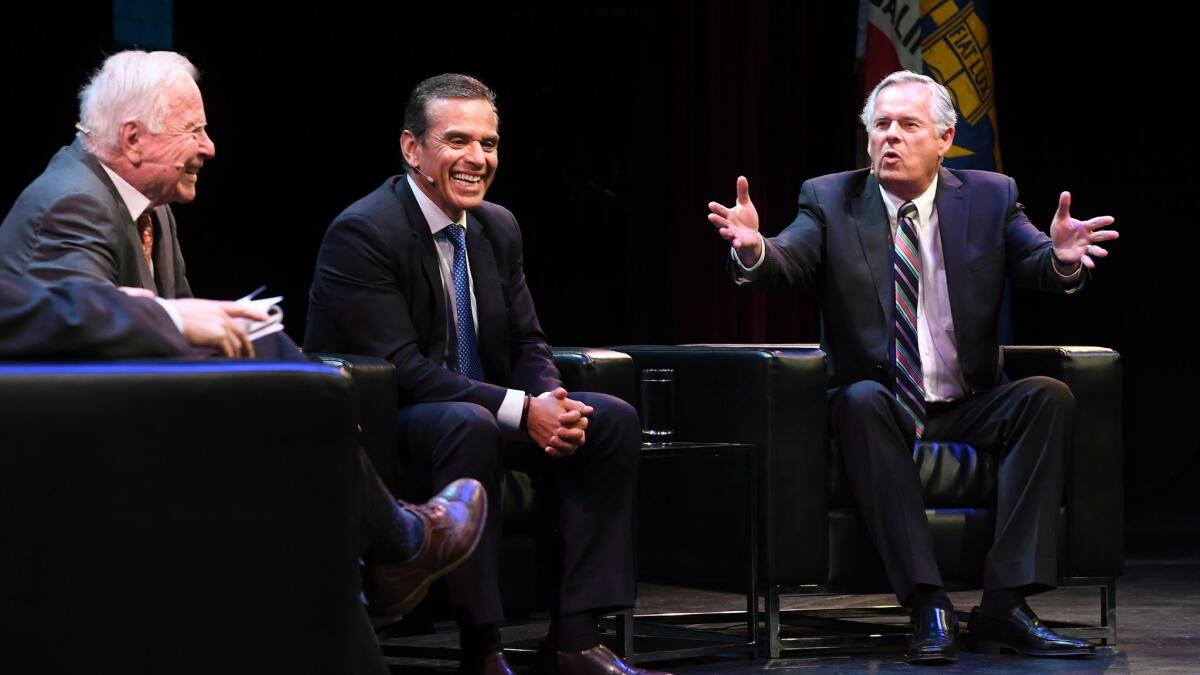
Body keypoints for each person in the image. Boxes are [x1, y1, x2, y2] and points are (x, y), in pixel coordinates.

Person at [0, 51, 488, 674]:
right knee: (276, 381)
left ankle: (384, 545)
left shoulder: (151, 208)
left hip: (147, 432)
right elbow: (84, 347)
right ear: (133, 138)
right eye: (194, 131)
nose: (210, 146)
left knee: (282, 385)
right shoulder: (70, 204)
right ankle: (397, 541)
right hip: (87, 462)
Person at [707, 70, 1118, 664]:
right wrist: (756, 250)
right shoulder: (829, 199)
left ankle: (1005, 604)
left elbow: (1037, 261)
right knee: (859, 399)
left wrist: (1061, 259)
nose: (890, 138)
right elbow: (789, 257)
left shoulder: (990, 196)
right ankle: (928, 602)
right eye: (880, 126)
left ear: (945, 137)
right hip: (879, 406)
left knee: (1046, 396)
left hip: (968, 401)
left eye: (908, 125)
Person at [305, 73, 655, 675]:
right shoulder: (364, 231)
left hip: (480, 410)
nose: (477, 159)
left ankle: (575, 636)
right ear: (412, 149)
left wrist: (553, 400)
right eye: (458, 141)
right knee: (469, 424)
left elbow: (526, 339)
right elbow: (403, 369)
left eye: (488, 144)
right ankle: (483, 647)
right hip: (389, 427)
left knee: (610, 420)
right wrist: (523, 410)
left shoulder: (498, 226)